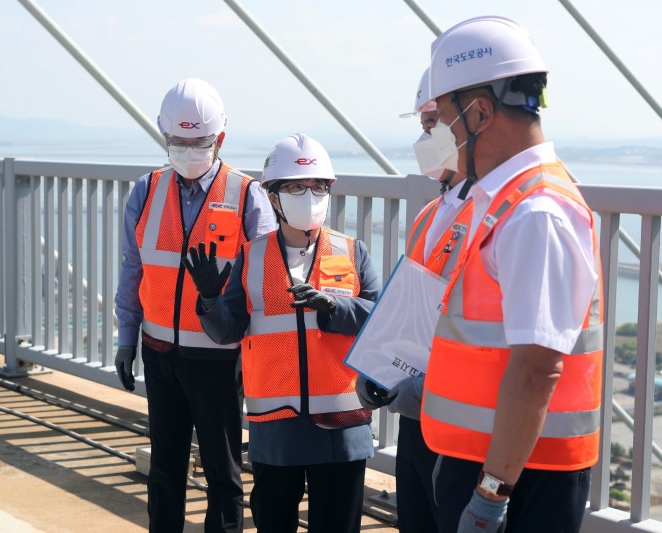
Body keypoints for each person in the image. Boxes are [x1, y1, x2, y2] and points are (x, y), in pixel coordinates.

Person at [418, 17, 604, 533]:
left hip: (520, 476)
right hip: (488, 457)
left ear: (479, 112)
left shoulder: (536, 212)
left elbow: (535, 369)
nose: (437, 133)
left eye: (442, 117)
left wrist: (491, 494)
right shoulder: (503, 198)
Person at [184, 133, 380, 533]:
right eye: (294, 187)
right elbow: (227, 332)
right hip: (276, 429)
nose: (309, 195)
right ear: (273, 197)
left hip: (341, 428)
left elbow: (381, 321)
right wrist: (207, 299)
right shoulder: (251, 256)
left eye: (318, 186)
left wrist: (333, 307)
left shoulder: (352, 251)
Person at [113, 78, 277, 533]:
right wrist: (126, 339)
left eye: (198, 142)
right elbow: (133, 269)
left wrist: (253, 358)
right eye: (177, 142)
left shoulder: (247, 196)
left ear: (219, 139)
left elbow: (263, 288)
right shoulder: (146, 191)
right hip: (160, 353)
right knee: (164, 471)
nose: (187, 151)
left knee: (223, 474)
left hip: (219, 359)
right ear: (164, 138)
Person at [355, 67, 472, 533]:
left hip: (459, 420)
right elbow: (409, 310)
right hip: (416, 419)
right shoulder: (431, 214)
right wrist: (376, 369)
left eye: (433, 120)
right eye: (422, 123)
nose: (425, 133)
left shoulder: (492, 212)